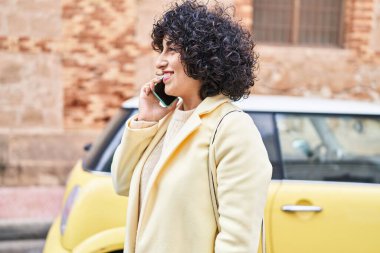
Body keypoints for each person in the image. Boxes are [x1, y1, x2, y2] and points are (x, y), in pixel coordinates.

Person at [111, 1, 272, 252]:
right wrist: (146, 121)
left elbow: (237, 242)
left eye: (172, 49)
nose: (159, 62)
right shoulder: (165, 121)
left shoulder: (232, 129)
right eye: (161, 50)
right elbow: (122, 184)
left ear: (203, 55)